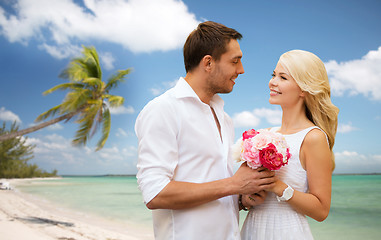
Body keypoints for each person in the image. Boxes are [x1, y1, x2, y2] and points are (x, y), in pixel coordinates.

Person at [135, 21, 276, 240]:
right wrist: (233, 184)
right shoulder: (163, 109)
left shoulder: (224, 117)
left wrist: (241, 199)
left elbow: (214, 185)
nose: (241, 69)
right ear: (208, 63)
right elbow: (155, 194)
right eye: (235, 61)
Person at [240, 49, 339, 240]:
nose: (272, 82)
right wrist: (249, 197)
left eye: (283, 77)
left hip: (286, 232)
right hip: (253, 229)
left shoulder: (313, 137)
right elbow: (252, 195)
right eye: (273, 75)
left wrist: (278, 187)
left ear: (303, 89)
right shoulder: (266, 134)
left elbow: (321, 210)